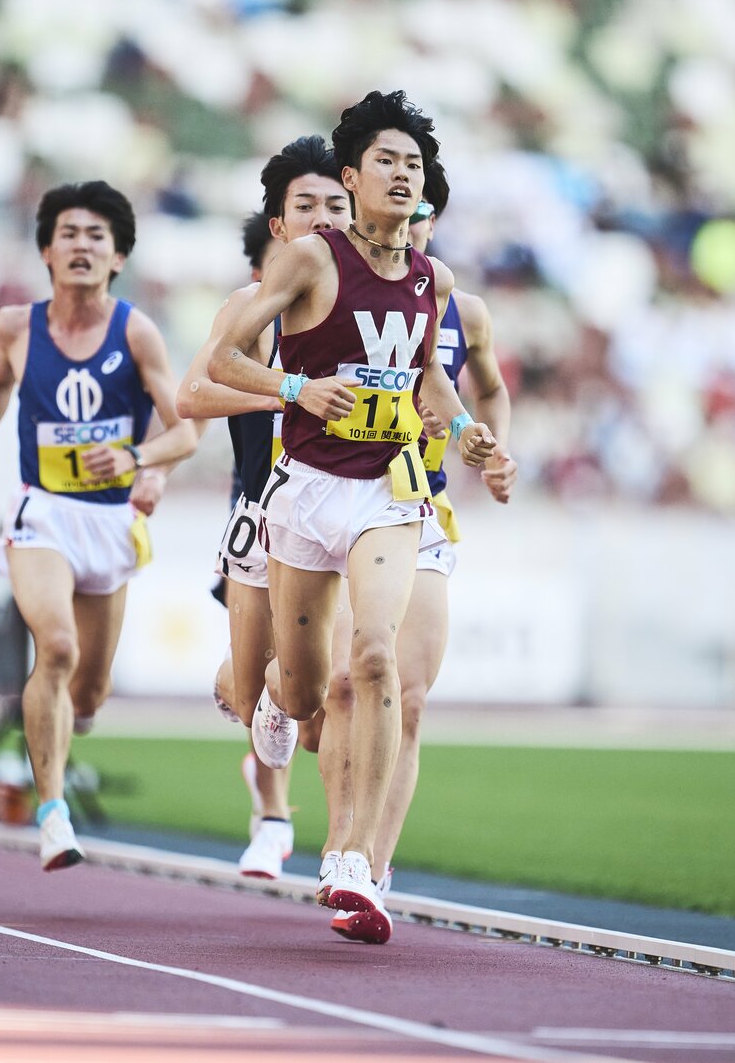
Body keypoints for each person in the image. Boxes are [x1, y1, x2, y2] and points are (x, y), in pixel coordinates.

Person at [210, 91, 496, 943]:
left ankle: (351, 860)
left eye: (414, 164)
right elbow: (221, 357)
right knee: (303, 692)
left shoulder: (430, 277)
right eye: (387, 161)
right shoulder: (306, 262)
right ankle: (269, 698)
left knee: (374, 660)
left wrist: (470, 432)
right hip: (302, 490)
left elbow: (430, 382)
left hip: (389, 490)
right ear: (350, 176)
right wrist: (297, 388)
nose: (403, 175)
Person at [0, 181, 197, 872]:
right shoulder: (14, 328)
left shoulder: (135, 331)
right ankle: (52, 813)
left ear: (117, 258)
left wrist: (138, 458)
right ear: (46, 252)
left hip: (109, 519)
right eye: (69, 233)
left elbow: (186, 431)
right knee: (53, 648)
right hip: (42, 511)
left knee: (89, 689)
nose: (82, 245)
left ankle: (73, 715)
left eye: (97, 236)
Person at [327, 189, 517, 941]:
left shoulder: (461, 309)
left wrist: (493, 449)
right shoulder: (333, 286)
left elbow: (491, 391)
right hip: (337, 503)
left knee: (406, 690)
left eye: (426, 215)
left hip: (419, 508)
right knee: (337, 685)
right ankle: (339, 840)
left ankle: (370, 870)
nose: (414, 227)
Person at [178, 136, 352, 879]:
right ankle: (272, 814)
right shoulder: (250, 309)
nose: (320, 219)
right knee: (258, 696)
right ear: (278, 225)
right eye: (303, 206)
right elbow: (191, 395)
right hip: (261, 511)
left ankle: (349, 852)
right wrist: (288, 390)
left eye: (333, 205)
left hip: (341, 508)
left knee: (327, 706)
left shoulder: (369, 299)